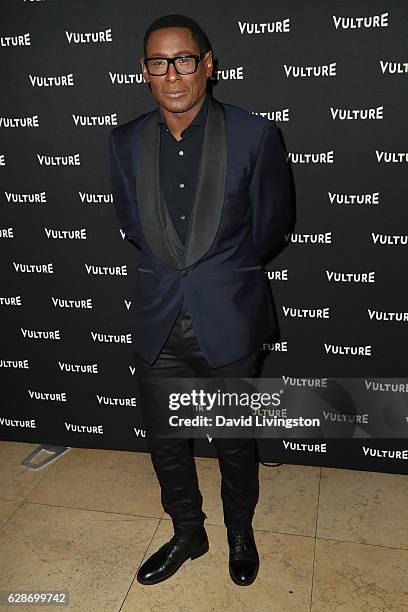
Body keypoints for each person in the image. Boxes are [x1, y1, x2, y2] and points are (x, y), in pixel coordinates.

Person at [109, 14, 294, 587]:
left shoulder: (253, 134)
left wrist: (219, 274)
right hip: (158, 317)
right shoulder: (124, 140)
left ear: (207, 64)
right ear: (145, 71)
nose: (172, 73)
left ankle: (240, 531)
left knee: (235, 442)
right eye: (158, 62)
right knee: (166, 443)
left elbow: (271, 226)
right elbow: (131, 224)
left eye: (184, 59)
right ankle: (188, 532)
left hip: (229, 318)